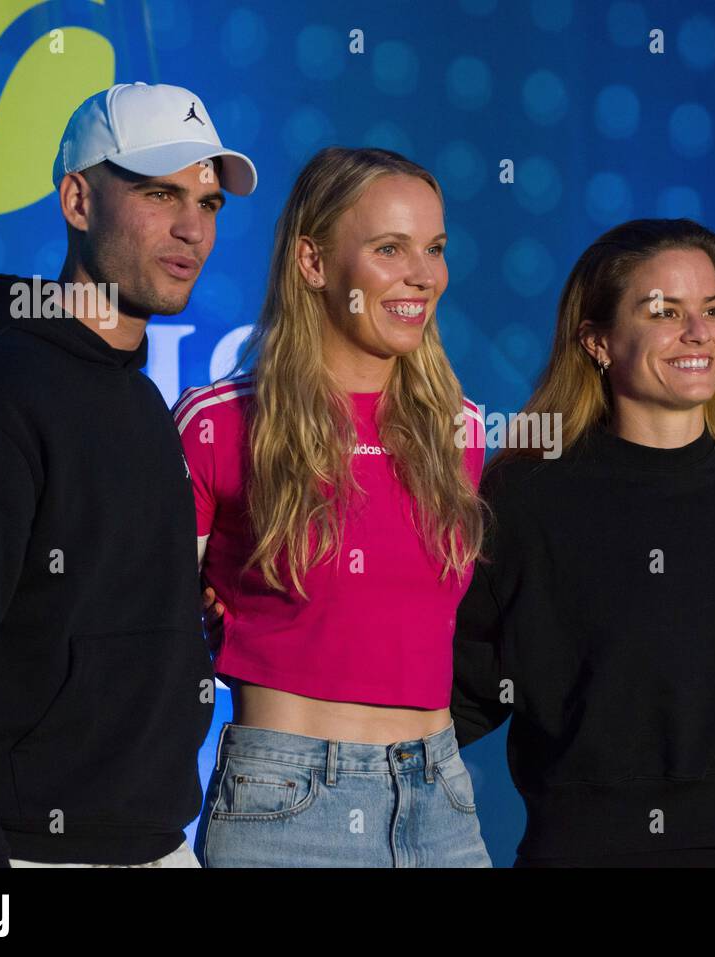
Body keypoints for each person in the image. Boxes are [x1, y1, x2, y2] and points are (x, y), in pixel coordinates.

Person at [0, 81, 257, 867]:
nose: (193, 228)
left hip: (151, 847)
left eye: (209, 203)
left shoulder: (138, 397)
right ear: (78, 200)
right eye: (159, 193)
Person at [451, 218, 715, 867]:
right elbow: (459, 685)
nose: (699, 332)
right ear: (596, 339)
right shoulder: (529, 492)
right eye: (665, 311)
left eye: (711, 309)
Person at [178, 146, 491, 867]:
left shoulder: (462, 431)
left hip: (442, 803)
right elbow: (148, 631)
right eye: (390, 248)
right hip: (286, 806)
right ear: (313, 262)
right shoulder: (218, 423)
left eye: (435, 249)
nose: (424, 275)